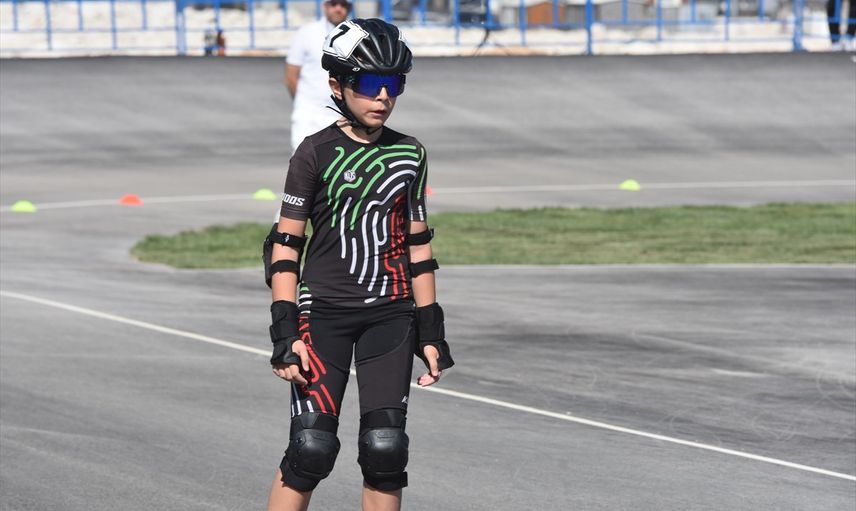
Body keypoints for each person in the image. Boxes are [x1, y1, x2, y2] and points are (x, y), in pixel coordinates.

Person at [264, 18, 455, 511]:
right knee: (311, 448)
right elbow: (285, 245)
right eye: (370, 83)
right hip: (322, 315)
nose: (383, 96)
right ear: (337, 85)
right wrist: (284, 331)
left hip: (390, 315)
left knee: (384, 449)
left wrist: (430, 330)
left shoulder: (409, 154)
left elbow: (418, 246)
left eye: (394, 84)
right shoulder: (314, 153)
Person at [285, 0, 352, 153]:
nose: (338, 8)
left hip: (342, 114)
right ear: (325, 6)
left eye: (343, 5)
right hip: (310, 113)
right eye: (334, 4)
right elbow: (291, 75)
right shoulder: (307, 33)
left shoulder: (354, 36)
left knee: (339, 162)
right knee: (303, 160)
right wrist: (303, 103)